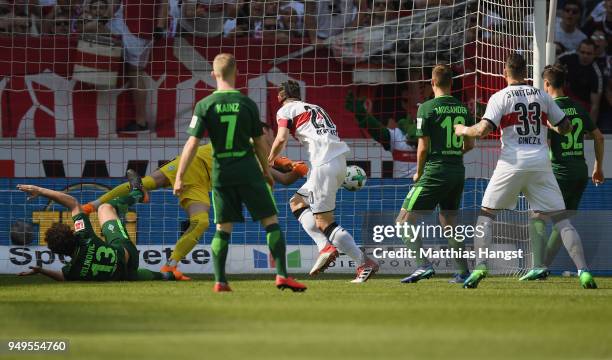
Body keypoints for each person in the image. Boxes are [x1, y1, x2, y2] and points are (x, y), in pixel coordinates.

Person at [453, 53, 597, 289]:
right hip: (540, 163)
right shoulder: (541, 95)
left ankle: (480, 266)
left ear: (505, 72)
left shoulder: (499, 97)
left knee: (486, 215)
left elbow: (481, 131)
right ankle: (584, 272)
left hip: (511, 163)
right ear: (526, 73)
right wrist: (551, 125)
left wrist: (462, 129)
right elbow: (567, 128)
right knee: (562, 221)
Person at [174, 53, 306, 292]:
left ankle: (220, 281)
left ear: (213, 74)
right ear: (237, 73)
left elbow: (192, 144)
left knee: (222, 228)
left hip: (221, 173)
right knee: (270, 222)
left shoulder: (204, 105)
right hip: (247, 170)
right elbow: (259, 142)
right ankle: (282, 275)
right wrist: (267, 170)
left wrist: (180, 176)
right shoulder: (247, 104)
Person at [268, 79, 379, 283]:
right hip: (338, 162)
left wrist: (270, 159)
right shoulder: (316, 107)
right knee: (297, 203)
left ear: (279, 97)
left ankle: (364, 263)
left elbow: (281, 137)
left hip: (322, 164)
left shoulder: (284, 110)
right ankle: (324, 247)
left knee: (324, 221)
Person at [82, 144, 215, 280]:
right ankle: (90, 207)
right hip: (193, 161)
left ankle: (170, 266)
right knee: (147, 183)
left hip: (203, 183)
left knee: (201, 222)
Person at [17, 170, 176, 282]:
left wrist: (42, 271)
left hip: (122, 273)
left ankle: (167, 276)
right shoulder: (83, 235)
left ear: (60, 253)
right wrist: (39, 190)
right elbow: (72, 203)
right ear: (73, 232)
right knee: (105, 208)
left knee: (130, 275)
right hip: (127, 252)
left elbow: (63, 278)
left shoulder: (73, 271)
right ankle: (138, 194)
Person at [395, 64, 475, 284]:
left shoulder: (426, 108)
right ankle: (463, 272)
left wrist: (419, 174)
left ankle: (423, 265)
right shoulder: (462, 108)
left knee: (403, 220)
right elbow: (470, 144)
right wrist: (451, 152)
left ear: (432, 83)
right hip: (457, 171)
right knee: (449, 220)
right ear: (452, 84)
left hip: (435, 171)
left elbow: (422, 148)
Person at [537, 64, 605, 269]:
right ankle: (544, 266)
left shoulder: (549, 110)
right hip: (580, 172)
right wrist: (598, 168)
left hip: (559, 172)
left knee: (538, 216)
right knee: (562, 222)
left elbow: (542, 143)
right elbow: (599, 137)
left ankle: (537, 265)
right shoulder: (578, 108)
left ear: (547, 84)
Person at [112, 0, 168, 133]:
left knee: (135, 71)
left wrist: (160, 26)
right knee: (134, 71)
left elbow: (164, 3)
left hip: (139, 28)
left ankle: (141, 122)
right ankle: (140, 122)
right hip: (131, 24)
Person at [345, 87, 418, 178]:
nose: (417, 112)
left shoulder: (434, 135)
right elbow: (376, 130)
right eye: (415, 108)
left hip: (427, 188)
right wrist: (362, 114)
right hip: (400, 188)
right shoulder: (397, 135)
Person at [559, 39, 604, 121]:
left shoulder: (596, 74)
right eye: (582, 52)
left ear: (594, 54)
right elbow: (553, 65)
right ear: (578, 51)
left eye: (589, 53)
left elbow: (595, 106)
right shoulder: (568, 57)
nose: (585, 56)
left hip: (581, 106)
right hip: (565, 98)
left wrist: (590, 130)